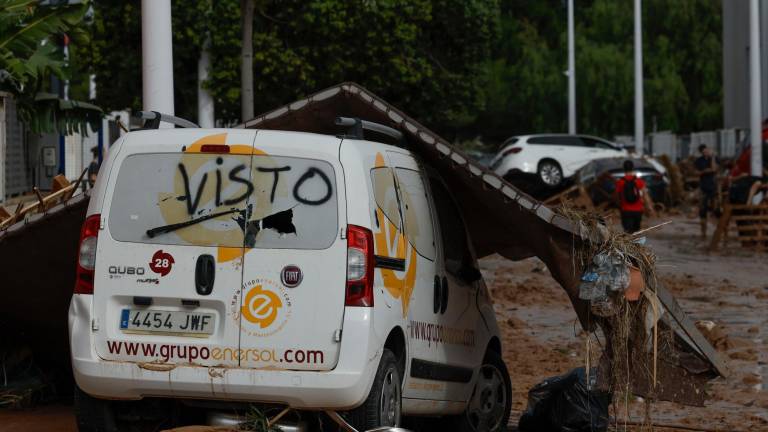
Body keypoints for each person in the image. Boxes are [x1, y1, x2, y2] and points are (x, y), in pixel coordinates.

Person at [615, 160, 653, 233]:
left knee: (628, 233)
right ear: (633, 168)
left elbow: (616, 196)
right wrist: (649, 207)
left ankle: (630, 244)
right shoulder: (639, 181)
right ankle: (636, 243)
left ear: (624, 168)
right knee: (636, 233)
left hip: (626, 210)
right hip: (638, 210)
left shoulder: (620, 182)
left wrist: (619, 205)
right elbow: (645, 195)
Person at [694, 145, 718, 238]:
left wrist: (712, 158)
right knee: (702, 210)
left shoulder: (714, 159)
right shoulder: (699, 161)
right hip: (703, 187)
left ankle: (717, 232)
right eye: (704, 151)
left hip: (713, 187)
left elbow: (714, 169)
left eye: (707, 150)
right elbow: (697, 172)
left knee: (716, 209)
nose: (706, 152)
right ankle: (703, 232)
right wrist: (706, 171)